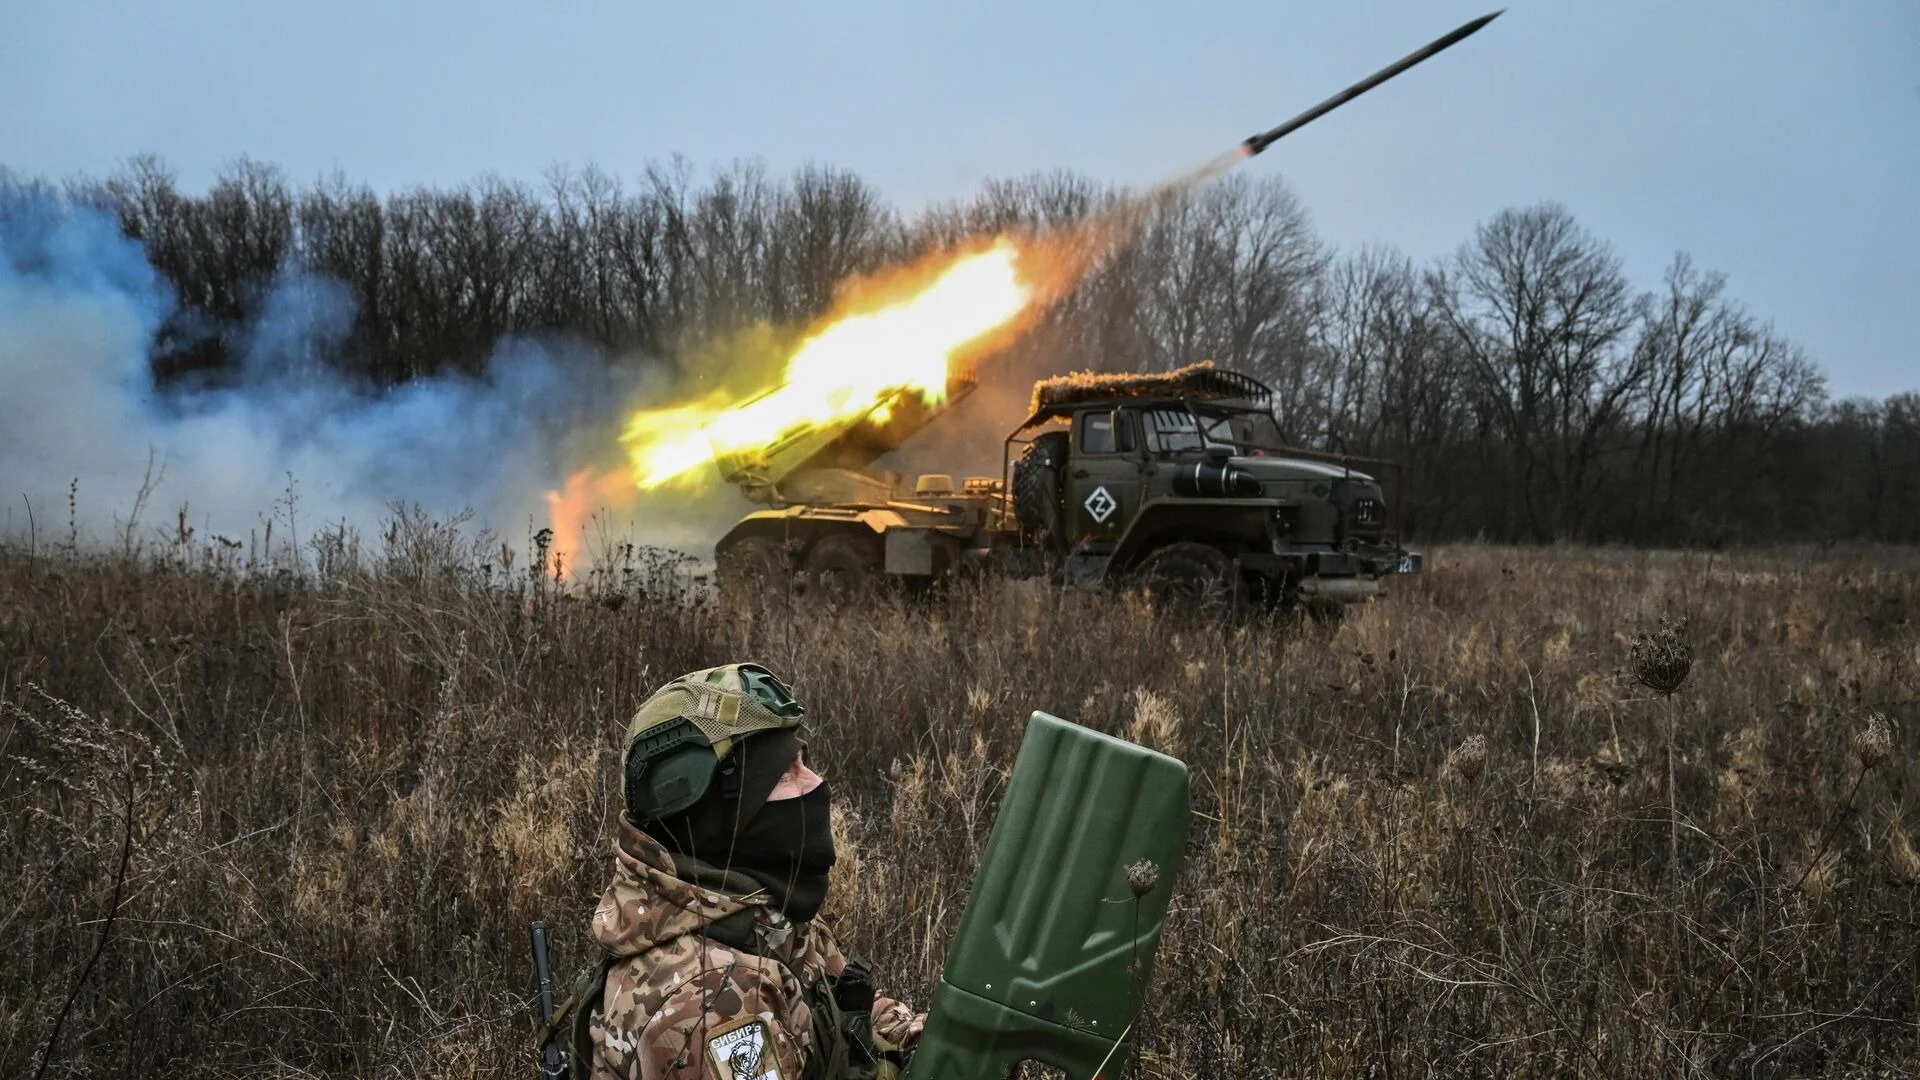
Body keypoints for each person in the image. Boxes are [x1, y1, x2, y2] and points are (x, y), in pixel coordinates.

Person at [584, 663, 924, 1080]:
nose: (815, 783)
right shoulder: (711, 1001)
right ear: (715, 816)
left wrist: (931, 1041)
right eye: (784, 775)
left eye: (802, 761)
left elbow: (838, 1001)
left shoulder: (750, 907)